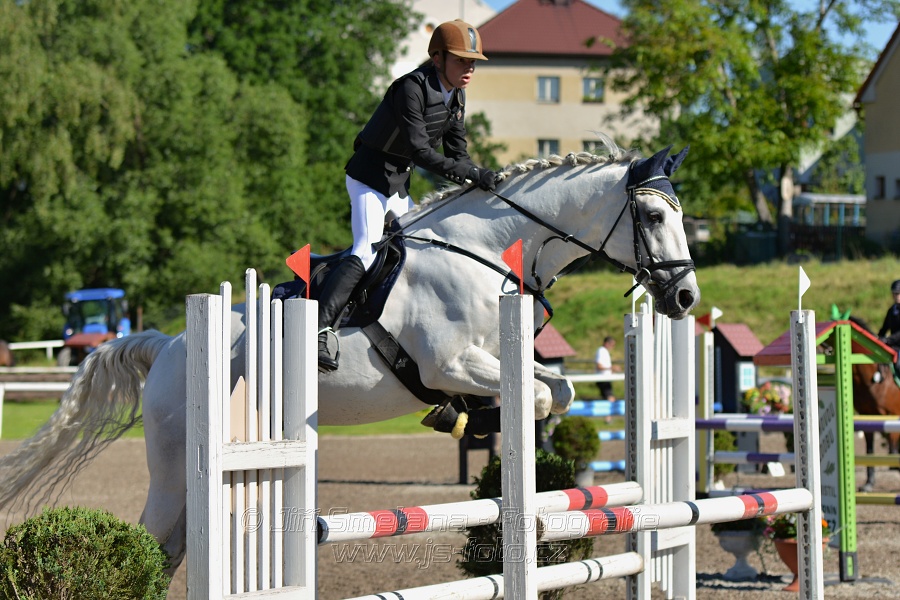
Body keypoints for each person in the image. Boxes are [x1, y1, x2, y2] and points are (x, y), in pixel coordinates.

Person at [315, 19, 499, 372]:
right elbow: (418, 149)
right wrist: (473, 174)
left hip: (398, 181)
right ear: (438, 57)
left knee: (415, 248)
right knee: (367, 247)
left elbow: (458, 155)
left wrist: (482, 182)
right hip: (368, 176)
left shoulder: (456, 96)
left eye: (473, 61)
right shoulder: (411, 88)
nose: (470, 68)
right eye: (462, 60)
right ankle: (319, 329)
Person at [876, 279, 900, 380]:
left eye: (898, 293)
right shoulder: (891, 310)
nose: (896, 296)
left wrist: (887, 340)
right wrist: (877, 339)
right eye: (894, 294)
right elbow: (884, 328)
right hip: (893, 345)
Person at [594, 336, 619, 403]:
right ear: (607, 343)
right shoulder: (601, 351)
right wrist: (611, 368)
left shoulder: (604, 351)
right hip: (603, 379)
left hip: (605, 378)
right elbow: (599, 366)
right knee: (610, 399)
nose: (613, 347)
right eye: (612, 345)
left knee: (606, 399)